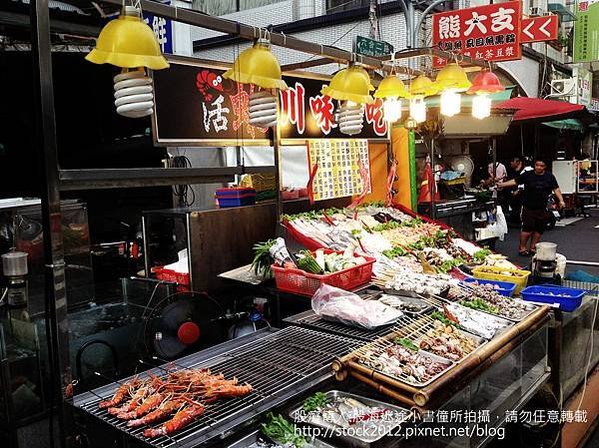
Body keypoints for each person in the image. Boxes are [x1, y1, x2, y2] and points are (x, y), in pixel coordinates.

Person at [498, 158, 565, 256]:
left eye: (541, 166)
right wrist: (502, 184)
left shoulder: (549, 177)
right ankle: (522, 248)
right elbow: (515, 181)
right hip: (528, 207)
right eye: (537, 165)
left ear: (545, 167)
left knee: (539, 229)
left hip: (542, 207)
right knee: (527, 229)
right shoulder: (528, 175)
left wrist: (561, 200)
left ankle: (533, 247)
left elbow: (556, 188)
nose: (538, 167)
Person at [505, 156, 533, 224]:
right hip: (530, 194)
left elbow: (521, 183)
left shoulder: (524, 171)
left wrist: (517, 191)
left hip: (524, 194)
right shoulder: (533, 170)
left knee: (520, 207)